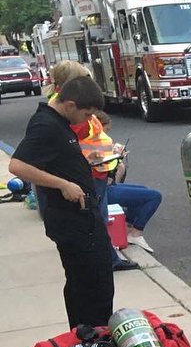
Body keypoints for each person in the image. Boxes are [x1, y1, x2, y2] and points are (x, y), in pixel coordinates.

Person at [9, 76, 113, 328]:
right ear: (69, 104)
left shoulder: (60, 123)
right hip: (72, 219)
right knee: (89, 285)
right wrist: (63, 184)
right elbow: (17, 165)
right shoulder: (46, 125)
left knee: (95, 282)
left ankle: (91, 335)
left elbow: (56, 160)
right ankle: (89, 337)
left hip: (83, 216)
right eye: (87, 114)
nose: (89, 120)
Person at [76, 111, 137, 272]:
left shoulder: (89, 119)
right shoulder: (82, 120)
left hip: (99, 171)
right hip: (94, 173)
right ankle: (108, 259)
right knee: (98, 220)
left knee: (99, 219)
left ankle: (108, 258)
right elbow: (78, 146)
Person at [94, 112, 161, 254]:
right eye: (107, 130)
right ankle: (136, 233)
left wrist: (116, 156)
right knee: (154, 196)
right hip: (102, 189)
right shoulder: (96, 142)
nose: (108, 134)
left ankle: (127, 226)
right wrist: (115, 157)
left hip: (103, 187)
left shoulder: (93, 141)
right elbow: (105, 170)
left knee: (143, 189)